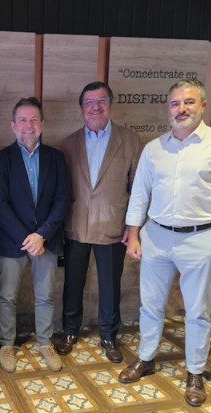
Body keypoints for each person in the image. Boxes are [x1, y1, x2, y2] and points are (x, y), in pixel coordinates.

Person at [119, 78, 211, 407]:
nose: (181, 109)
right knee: (150, 305)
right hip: (157, 236)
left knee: (197, 311)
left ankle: (195, 371)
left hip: (202, 238)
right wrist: (134, 234)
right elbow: (139, 195)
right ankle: (146, 358)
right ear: (168, 109)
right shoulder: (154, 149)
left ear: (203, 106)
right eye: (175, 103)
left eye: (189, 102)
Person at [56, 81, 142, 363]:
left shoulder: (130, 140)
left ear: (110, 104)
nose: (95, 107)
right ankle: (70, 331)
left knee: (110, 285)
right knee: (72, 284)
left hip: (113, 227)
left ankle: (108, 335)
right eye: (89, 102)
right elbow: (61, 190)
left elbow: (138, 189)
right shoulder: (68, 144)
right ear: (81, 108)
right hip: (76, 226)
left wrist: (133, 227)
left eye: (101, 100)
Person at [0, 97, 68, 372]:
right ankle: (6, 345)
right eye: (23, 120)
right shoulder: (1, 159)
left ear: (42, 124)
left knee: (45, 296)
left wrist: (41, 235)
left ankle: (45, 343)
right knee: (7, 297)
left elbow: (62, 200)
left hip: (46, 241)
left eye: (34, 119)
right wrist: (27, 238)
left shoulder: (57, 158)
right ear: (13, 125)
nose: (28, 125)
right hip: (12, 241)